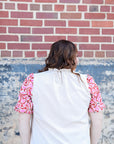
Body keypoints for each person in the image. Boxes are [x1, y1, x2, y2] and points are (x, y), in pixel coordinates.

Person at [15, 40, 105, 144]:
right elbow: (97, 119)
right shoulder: (88, 82)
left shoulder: (31, 81)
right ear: (73, 59)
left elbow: (23, 119)